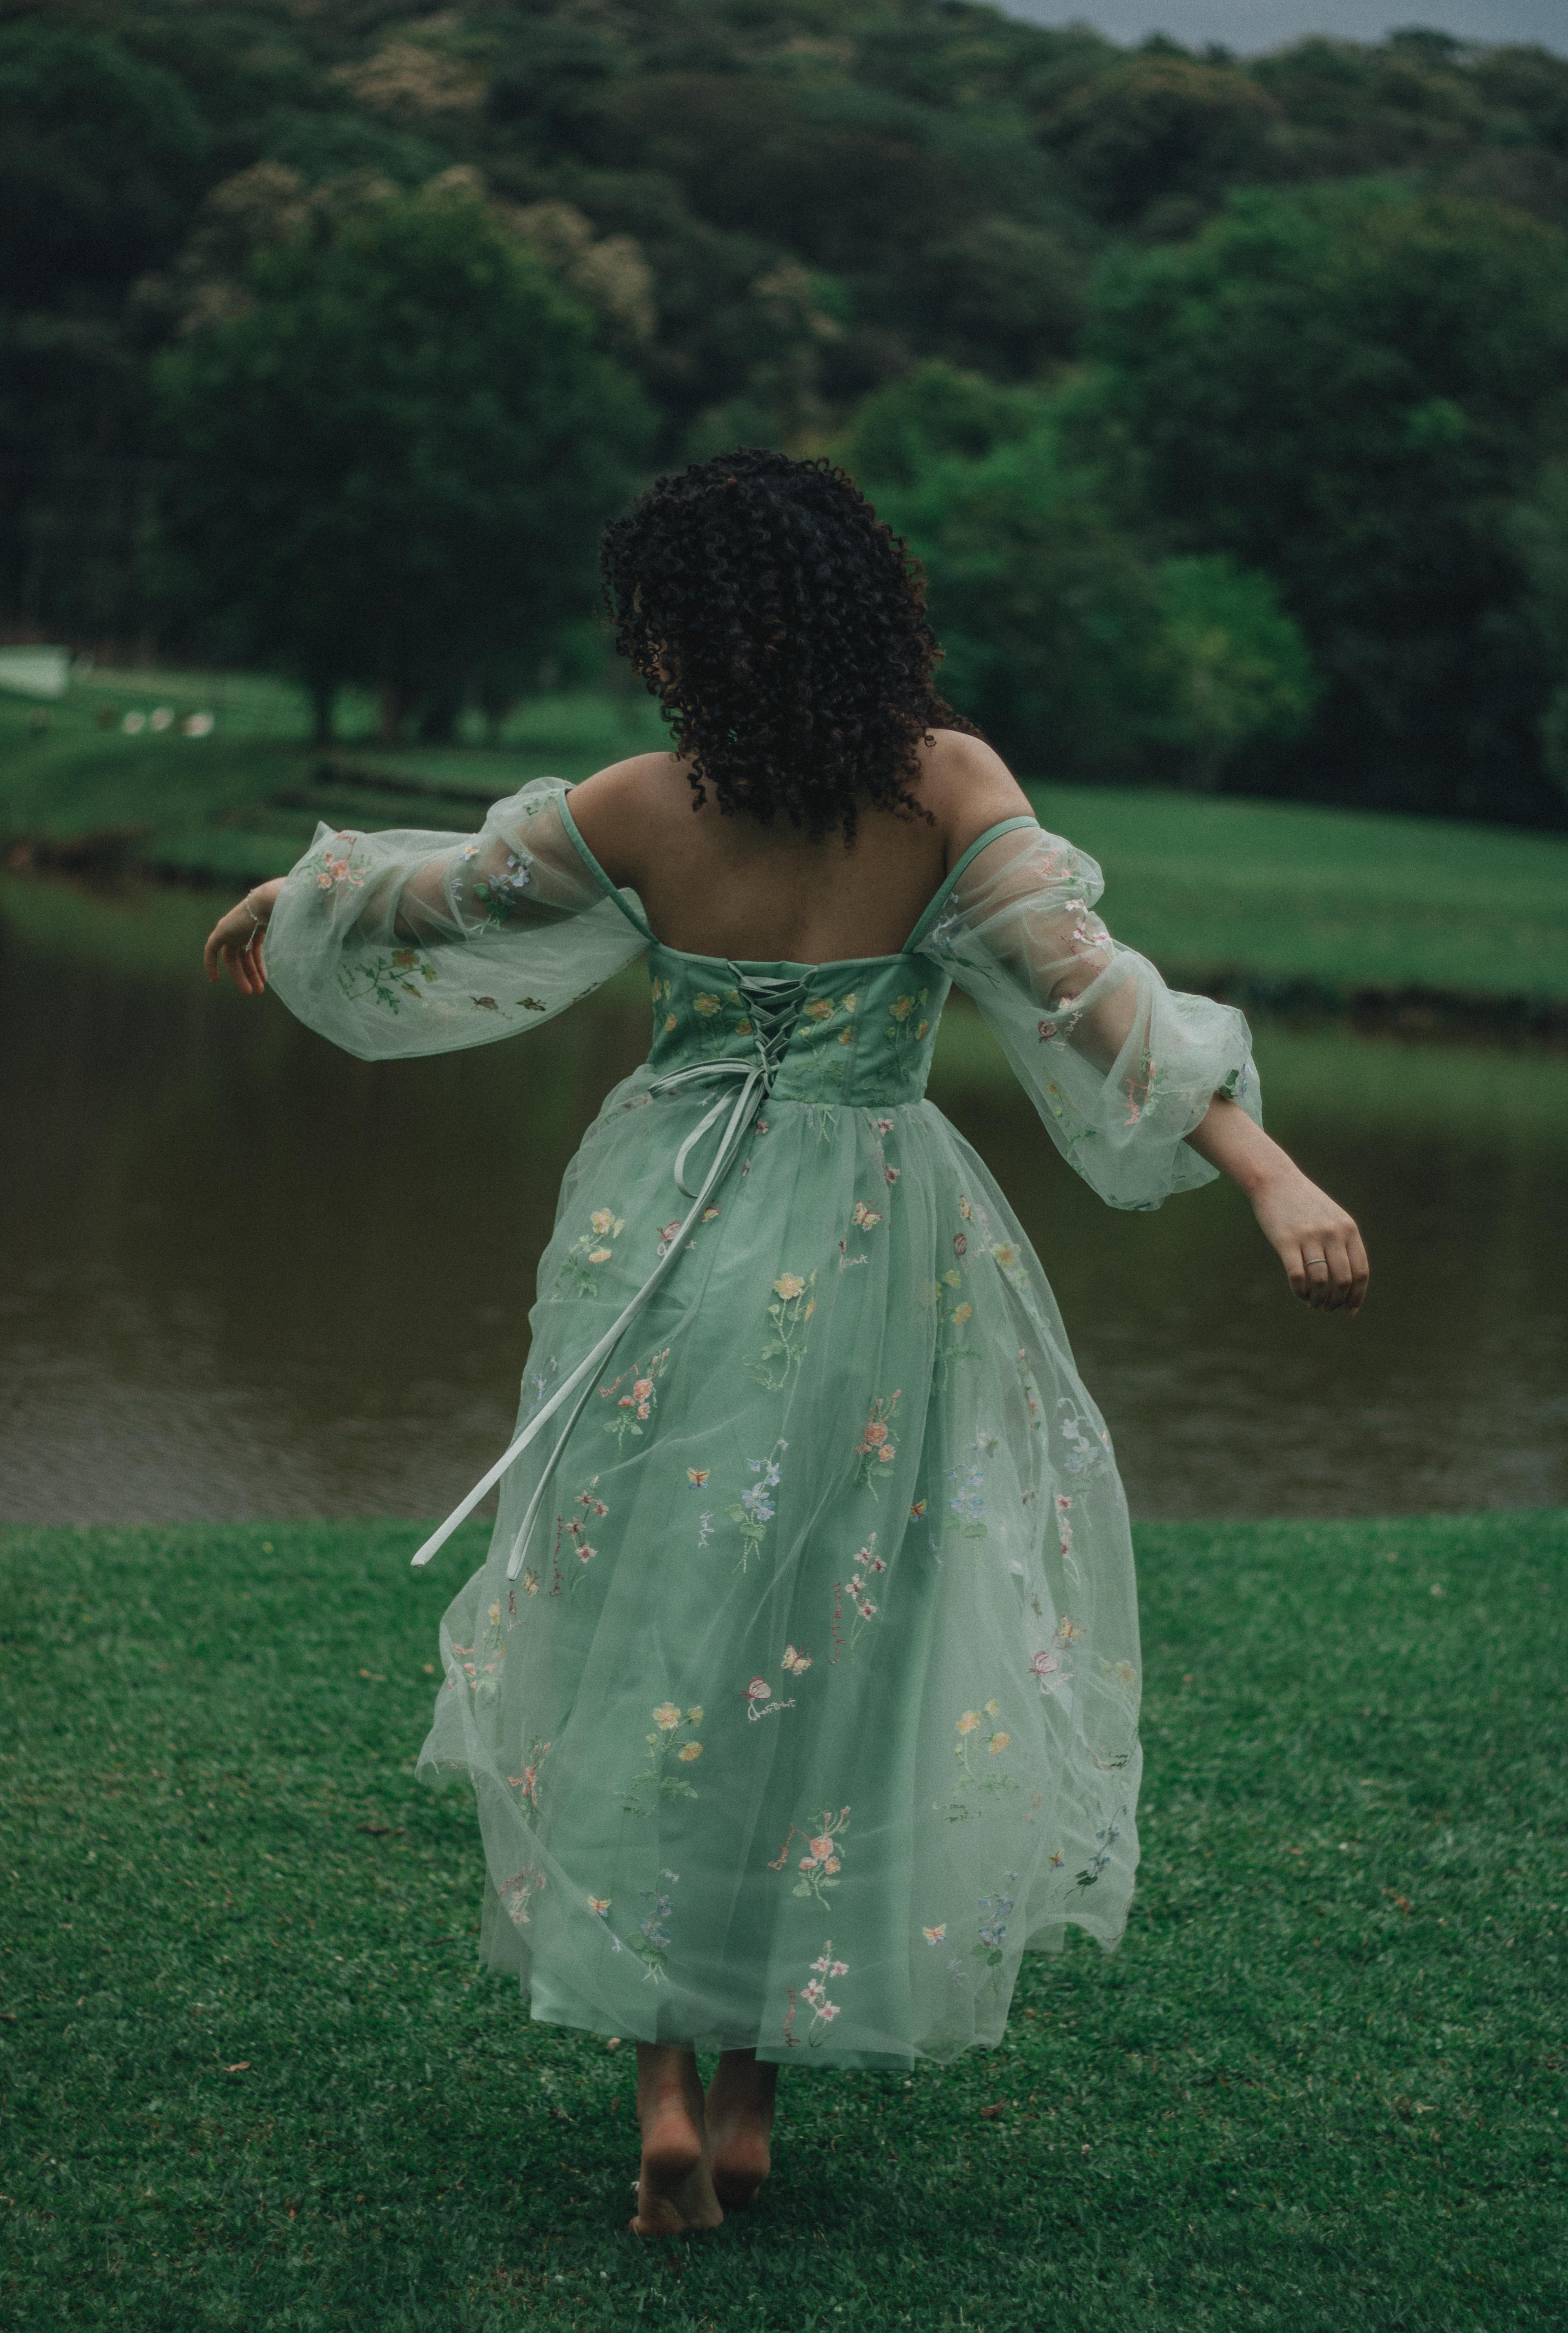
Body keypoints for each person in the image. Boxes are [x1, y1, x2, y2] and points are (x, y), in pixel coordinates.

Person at [204, 449, 1368, 2235]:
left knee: (647, 1627)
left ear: (688, 635)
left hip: (661, 1240)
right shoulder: (945, 787)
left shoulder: (646, 806)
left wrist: (298, 901)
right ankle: (750, 2104)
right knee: (831, 1642)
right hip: (875, 1246)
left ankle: (663, 2095)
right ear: (857, 611)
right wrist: (1273, 1175)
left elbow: (453, 899)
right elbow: (1091, 989)